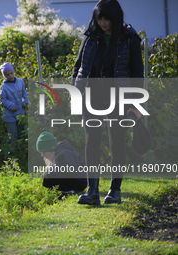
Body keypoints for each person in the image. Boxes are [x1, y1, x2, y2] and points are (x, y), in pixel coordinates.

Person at [72, 0, 144, 205]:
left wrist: (134, 102)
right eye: (99, 18)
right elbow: (78, 67)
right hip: (90, 97)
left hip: (118, 98)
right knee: (91, 142)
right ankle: (92, 190)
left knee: (116, 142)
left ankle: (115, 190)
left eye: (107, 19)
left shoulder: (129, 38)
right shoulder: (90, 37)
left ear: (115, 18)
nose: (103, 22)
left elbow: (137, 73)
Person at [36, 132, 87, 201]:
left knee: (50, 173)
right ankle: (65, 191)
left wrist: (56, 167)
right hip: (74, 180)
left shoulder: (64, 152)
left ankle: (70, 191)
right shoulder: (57, 152)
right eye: (41, 152)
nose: (42, 155)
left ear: (51, 148)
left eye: (44, 152)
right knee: (47, 175)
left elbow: (73, 170)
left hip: (79, 182)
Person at [0, 62, 28, 158]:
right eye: (7, 75)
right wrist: (12, 106)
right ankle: (9, 159)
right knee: (13, 137)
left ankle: (20, 157)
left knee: (21, 136)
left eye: (11, 73)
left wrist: (25, 102)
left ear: (13, 72)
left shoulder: (20, 82)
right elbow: (2, 100)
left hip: (20, 114)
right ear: (4, 76)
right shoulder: (4, 87)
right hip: (10, 116)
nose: (10, 76)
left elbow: (24, 93)